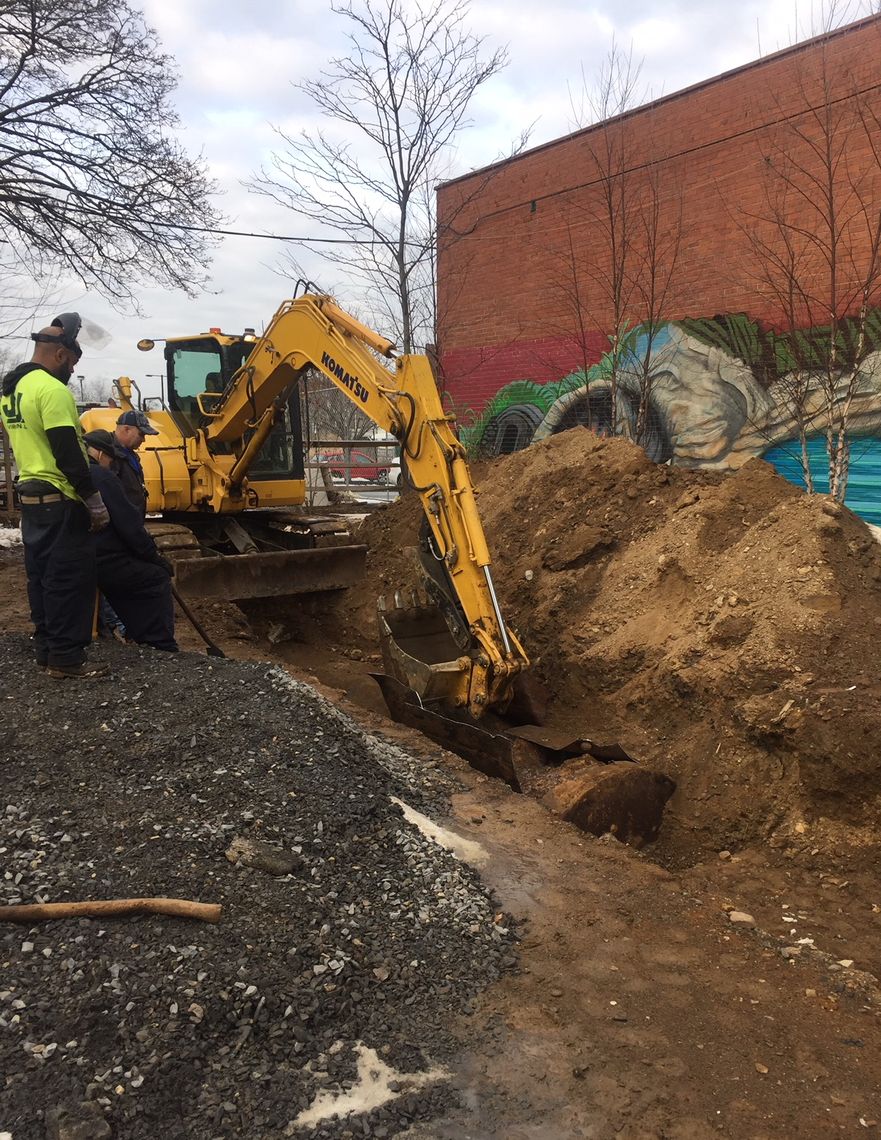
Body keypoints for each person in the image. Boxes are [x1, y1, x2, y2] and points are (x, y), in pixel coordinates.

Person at [0, 314, 110, 679]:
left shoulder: (13, 390)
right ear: (61, 355)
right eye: (74, 363)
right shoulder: (52, 391)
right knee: (69, 580)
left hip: (32, 502)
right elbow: (67, 453)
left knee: (42, 578)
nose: (72, 370)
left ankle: (48, 651)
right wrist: (93, 501)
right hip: (60, 501)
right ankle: (66, 659)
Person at [82, 429, 178, 653]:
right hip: (103, 559)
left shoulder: (72, 473)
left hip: (78, 555)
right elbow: (129, 526)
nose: (110, 464)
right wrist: (153, 556)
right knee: (156, 578)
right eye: (109, 459)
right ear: (99, 453)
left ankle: (116, 629)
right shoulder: (101, 477)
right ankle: (159, 642)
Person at [113, 408, 158, 517]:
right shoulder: (109, 457)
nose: (143, 440)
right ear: (127, 429)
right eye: (141, 434)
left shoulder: (130, 455)